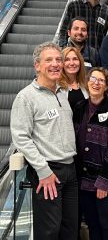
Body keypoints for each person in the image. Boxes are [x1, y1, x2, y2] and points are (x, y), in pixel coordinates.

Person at [10, 42, 78, 240]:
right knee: (49, 231)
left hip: (70, 171)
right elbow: (21, 137)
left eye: (58, 59)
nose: (56, 64)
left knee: (70, 229)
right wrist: (43, 170)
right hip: (49, 172)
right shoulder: (26, 97)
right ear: (37, 66)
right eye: (49, 60)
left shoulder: (62, 94)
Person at [73, 67, 108, 240]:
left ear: (106, 86)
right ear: (87, 83)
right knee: (92, 225)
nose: (96, 83)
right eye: (93, 79)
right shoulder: (79, 108)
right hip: (82, 180)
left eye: (101, 80)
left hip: (103, 182)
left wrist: (103, 182)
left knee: (106, 225)